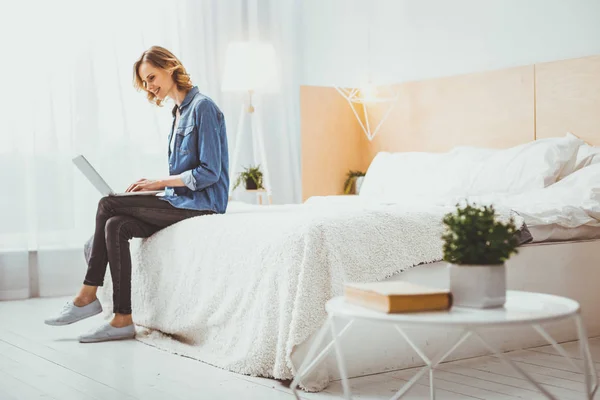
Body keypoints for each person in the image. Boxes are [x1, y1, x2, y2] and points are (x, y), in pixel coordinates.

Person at [44, 46, 229, 343]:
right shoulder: (178, 112)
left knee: (108, 203)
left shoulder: (203, 107)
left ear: (170, 67)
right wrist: (161, 185)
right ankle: (122, 319)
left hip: (203, 203)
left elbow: (210, 173)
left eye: (152, 77)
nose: (149, 86)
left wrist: (157, 183)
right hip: (180, 199)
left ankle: (87, 294)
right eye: (145, 82)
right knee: (115, 225)